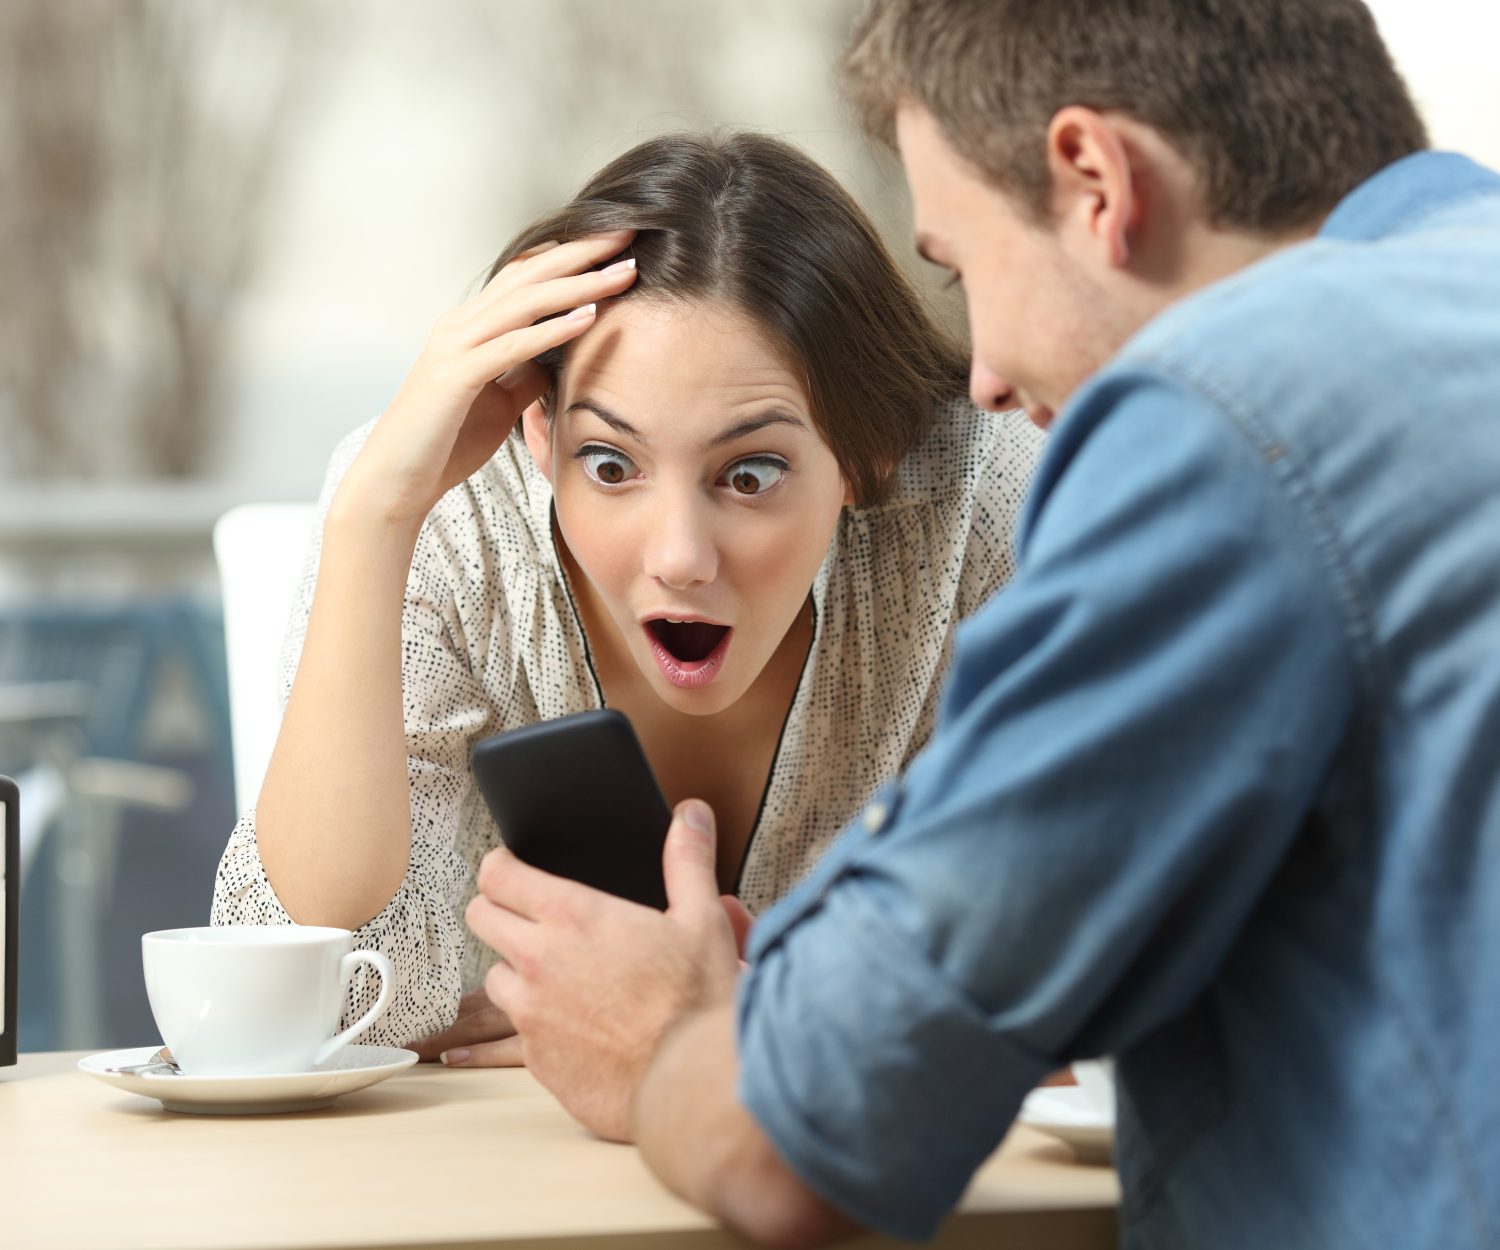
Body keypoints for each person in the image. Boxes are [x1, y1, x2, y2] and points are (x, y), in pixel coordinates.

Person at [462, 0, 1500, 1246]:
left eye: (961, 267)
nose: (987, 375)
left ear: (1096, 181)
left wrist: (663, 1038)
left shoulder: (1222, 415)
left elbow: (806, 1134)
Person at [210, 130, 1044, 1063]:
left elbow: (1094, 959)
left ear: (865, 451)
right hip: (493, 1137)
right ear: (539, 433)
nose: (679, 557)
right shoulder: (445, 511)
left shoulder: (993, 499)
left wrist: (732, 1014)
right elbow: (298, 1010)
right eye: (610, 464)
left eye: (751, 474)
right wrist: (372, 517)